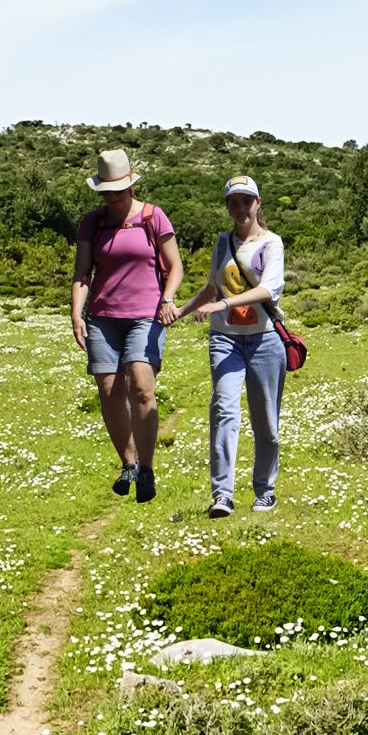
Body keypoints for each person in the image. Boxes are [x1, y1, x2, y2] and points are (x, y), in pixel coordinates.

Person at [70, 149, 183, 503]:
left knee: (142, 387)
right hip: (102, 317)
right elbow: (82, 274)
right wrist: (76, 313)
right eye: (106, 190)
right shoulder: (93, 222)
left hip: (145, 315)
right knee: (108, 390)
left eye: (117, 188)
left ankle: (147, 468)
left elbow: (175, 265)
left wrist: (167, 299)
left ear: (130, 184)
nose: (112, 195)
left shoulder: (153, 216)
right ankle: (129, 463)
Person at [175, 175, 285, 517]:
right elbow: (212, 286)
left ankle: (265, 490)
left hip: (265, 338)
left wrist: (224, 305)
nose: (240, 208)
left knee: (265, 420)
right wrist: (183, 310)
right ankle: (222, 495)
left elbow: (268, 290)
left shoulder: (271, 244)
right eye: (233, 203)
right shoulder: (222, 243)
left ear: (258, 203)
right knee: (224, 409)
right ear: (227, 207)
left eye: (246, 201)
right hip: (225, 340)